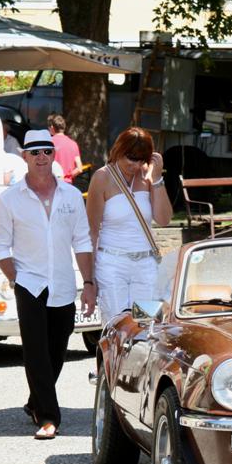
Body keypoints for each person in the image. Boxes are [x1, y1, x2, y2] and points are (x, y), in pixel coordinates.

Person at [0, 129, 97, 440]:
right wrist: (16, 279)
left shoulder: (72, 196)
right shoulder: (9, 199)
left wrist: (88, 282)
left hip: (63, 282)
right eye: (34, 152)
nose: (41, 158)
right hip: (29, 283)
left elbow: (82, 241)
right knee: (36, 351)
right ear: (24, 156)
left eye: (47, 152)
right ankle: (49, 417)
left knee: (57, 349)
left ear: (54, 155)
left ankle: (35, 401)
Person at [86, 127, 172, 323]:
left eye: (142, 159)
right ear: (119, 151)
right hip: (112, 263)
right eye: (131, 158)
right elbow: (91, 232)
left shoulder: (146, 176)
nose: (136, 164)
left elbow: (164, 219)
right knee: (118, 328)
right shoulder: (102, 177)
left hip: (145, 264)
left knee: (146, 327)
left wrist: (157, 179)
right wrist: (89, 280)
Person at [47, 113, 84, 184]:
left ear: (52, 127)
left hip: (52, 184)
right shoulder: (73, 144)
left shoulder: (49, 143)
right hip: (68, 185)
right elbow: (79, 169)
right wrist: (67, 177)